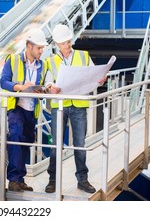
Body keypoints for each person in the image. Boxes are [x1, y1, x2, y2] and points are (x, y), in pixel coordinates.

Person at [44, 24, 106, 194]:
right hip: (60, 106)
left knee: (80, 144)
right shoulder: (50, 61)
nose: (68, 44)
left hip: (78, 105)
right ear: (57, 44)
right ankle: (53, 180)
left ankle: (82, 180)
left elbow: (94, 73)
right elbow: (48, 81)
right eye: (64, 42)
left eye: (69, 41)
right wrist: (51, 87)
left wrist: (100, 79)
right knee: (56, 145)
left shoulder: (83, 56)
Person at [0, 27, 49, 192]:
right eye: (39, 48)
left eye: (42, 48)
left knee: (26, 141)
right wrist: (20, 87)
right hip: (17, 107)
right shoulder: (12, 60)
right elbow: (3, 82)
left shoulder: (42, 65)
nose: (42, 51)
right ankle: (13, 179)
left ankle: (20, 179)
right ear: (29, 46)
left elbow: (44, 84)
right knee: (15, 136)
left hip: (31, 110)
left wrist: (41, 90)